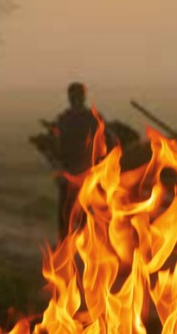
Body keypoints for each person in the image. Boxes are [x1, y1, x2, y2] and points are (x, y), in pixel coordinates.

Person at [51, 82, 105, 240]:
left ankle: (76, 243)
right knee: (72, 210)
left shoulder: (70, 119)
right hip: (75, 171)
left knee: (75, 210)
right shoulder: (88, 118)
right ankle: (70, 243)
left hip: (82, 170)